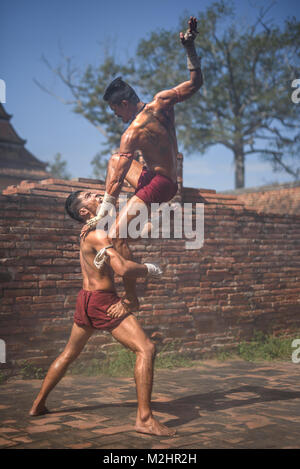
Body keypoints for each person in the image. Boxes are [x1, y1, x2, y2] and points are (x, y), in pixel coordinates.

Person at [29, 190, 175, 437]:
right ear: (84, 212)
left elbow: (133, 233)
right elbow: (122, 268)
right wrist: (151, 269)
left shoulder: (94, 230)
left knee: (69, 353)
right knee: (146, 349)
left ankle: (37, 405)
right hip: (102, 303)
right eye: (89, 195)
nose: (98, 194)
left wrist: (150, 218)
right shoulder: (97, 234)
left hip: (85, 299)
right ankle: (145, 419)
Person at [81, 16, 203, 310]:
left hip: (160, 185)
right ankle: (151, 218)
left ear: (123, 104)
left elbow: (119, 175)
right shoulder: (161, 101)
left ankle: (132, 297)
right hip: (152, 175)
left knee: (115, 234)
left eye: (114, 111)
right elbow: (196, 82)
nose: (115, 117)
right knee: (115, 159)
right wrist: (190, 48)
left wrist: (102, 216)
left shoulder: (132, 133)